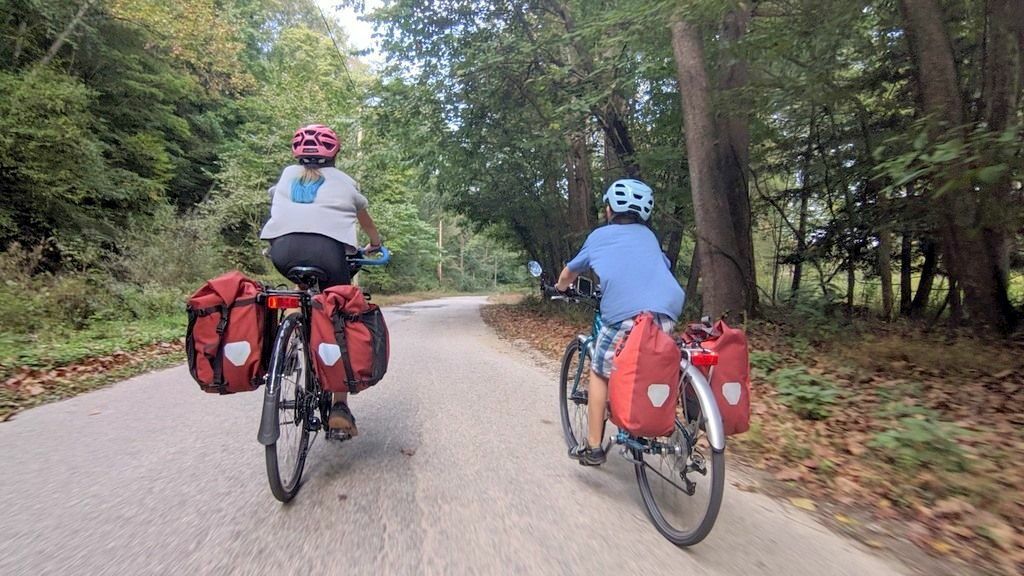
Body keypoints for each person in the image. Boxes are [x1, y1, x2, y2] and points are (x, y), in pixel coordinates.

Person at [260, 123, 382, 436]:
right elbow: (365, 222)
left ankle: (283, 349)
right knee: (337, 314)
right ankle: (339, 409)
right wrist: (376, 244)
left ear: (296, 154)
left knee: (300, 292)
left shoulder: (287, 175)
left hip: (283, 252)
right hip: (329, 255)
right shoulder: (345, 182)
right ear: (335, 154)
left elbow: (280, 207)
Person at [554, 178, 685, 466]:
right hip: (666, 311)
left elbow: (569, 272)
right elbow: (664, 266)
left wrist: (560, 289)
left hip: (624, 315)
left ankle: (593, 447)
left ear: (610, 209)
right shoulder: (649, 237)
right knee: (648, 361)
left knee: (601, 372)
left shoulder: (600, 237)